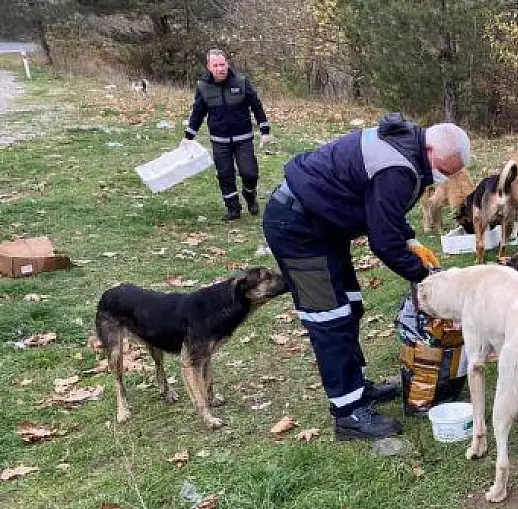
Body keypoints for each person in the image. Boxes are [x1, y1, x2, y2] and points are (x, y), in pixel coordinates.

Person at [262, 112, 469, 440]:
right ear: (432, 152)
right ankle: (348, 414)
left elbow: (383, 209)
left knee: (350, 306)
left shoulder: (408, 145)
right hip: (297, 230)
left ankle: (358, 389)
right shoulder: (400, 167)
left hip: (323, 227)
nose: (443, 179)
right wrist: (425, 278)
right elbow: (383, 240)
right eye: (445, 171)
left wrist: (412, 241)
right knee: (328, 318)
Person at [180, 48, 272, 221]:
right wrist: (188, 137)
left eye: (222, 64)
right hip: (219, 141)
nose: (220, 69)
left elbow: (256, 106)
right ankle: (233, 209)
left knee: (250, 173)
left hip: (243, 139)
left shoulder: (241, 82)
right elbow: (197, 113)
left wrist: (265, 130)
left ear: (227, 64)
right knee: (225, 174)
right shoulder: (203, 87)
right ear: (209, 67)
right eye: (216, 65)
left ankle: (250, 195)